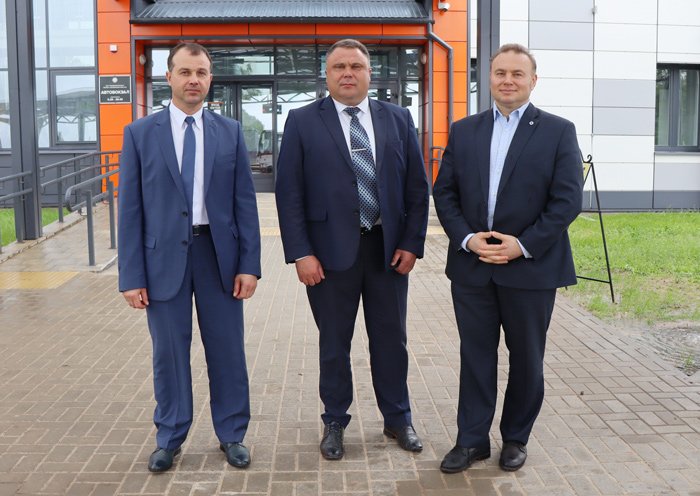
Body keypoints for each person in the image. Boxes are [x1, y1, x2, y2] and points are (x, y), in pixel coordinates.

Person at [275, 39, 429, 460]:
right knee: (334, 344)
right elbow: (289, 193)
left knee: (391, 341)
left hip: (387, 252)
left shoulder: (398, 118)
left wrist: (412, 243)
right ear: (326, 75)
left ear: (369, 73)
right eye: (339, 66)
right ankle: (335, 422)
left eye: (356, 66)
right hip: (327, 257)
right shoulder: (302, 121)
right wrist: (301, 253)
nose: (347, 73)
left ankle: (397, 418)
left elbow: (417, 188)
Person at [432, 43, 583, 473]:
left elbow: (567, 200)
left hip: (531, 267)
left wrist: (523, 244)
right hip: (473, 267)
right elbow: (445, 192)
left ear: (533, 80)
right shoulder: (464, 130)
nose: (508, 80)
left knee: (527, 359)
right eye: (500, 73)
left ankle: (516, 438)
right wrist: (466, 239)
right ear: (489, 79)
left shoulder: (558, 131)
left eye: (518, 74)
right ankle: (471, 441)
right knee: (475, 357)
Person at [118, 42, 261, 472]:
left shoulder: (229, 132)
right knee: (169, 354)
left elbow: (245, 203)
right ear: (169, 77)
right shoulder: (140, 133)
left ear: (210, 78)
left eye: (200, 72)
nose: (193, 80)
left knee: (228, 351)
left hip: (219, 258)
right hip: (162, 262)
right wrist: (131, 275)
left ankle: (232, 434)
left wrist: (249, 265)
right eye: (185, 72)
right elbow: (130, 210)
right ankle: (170, 436)